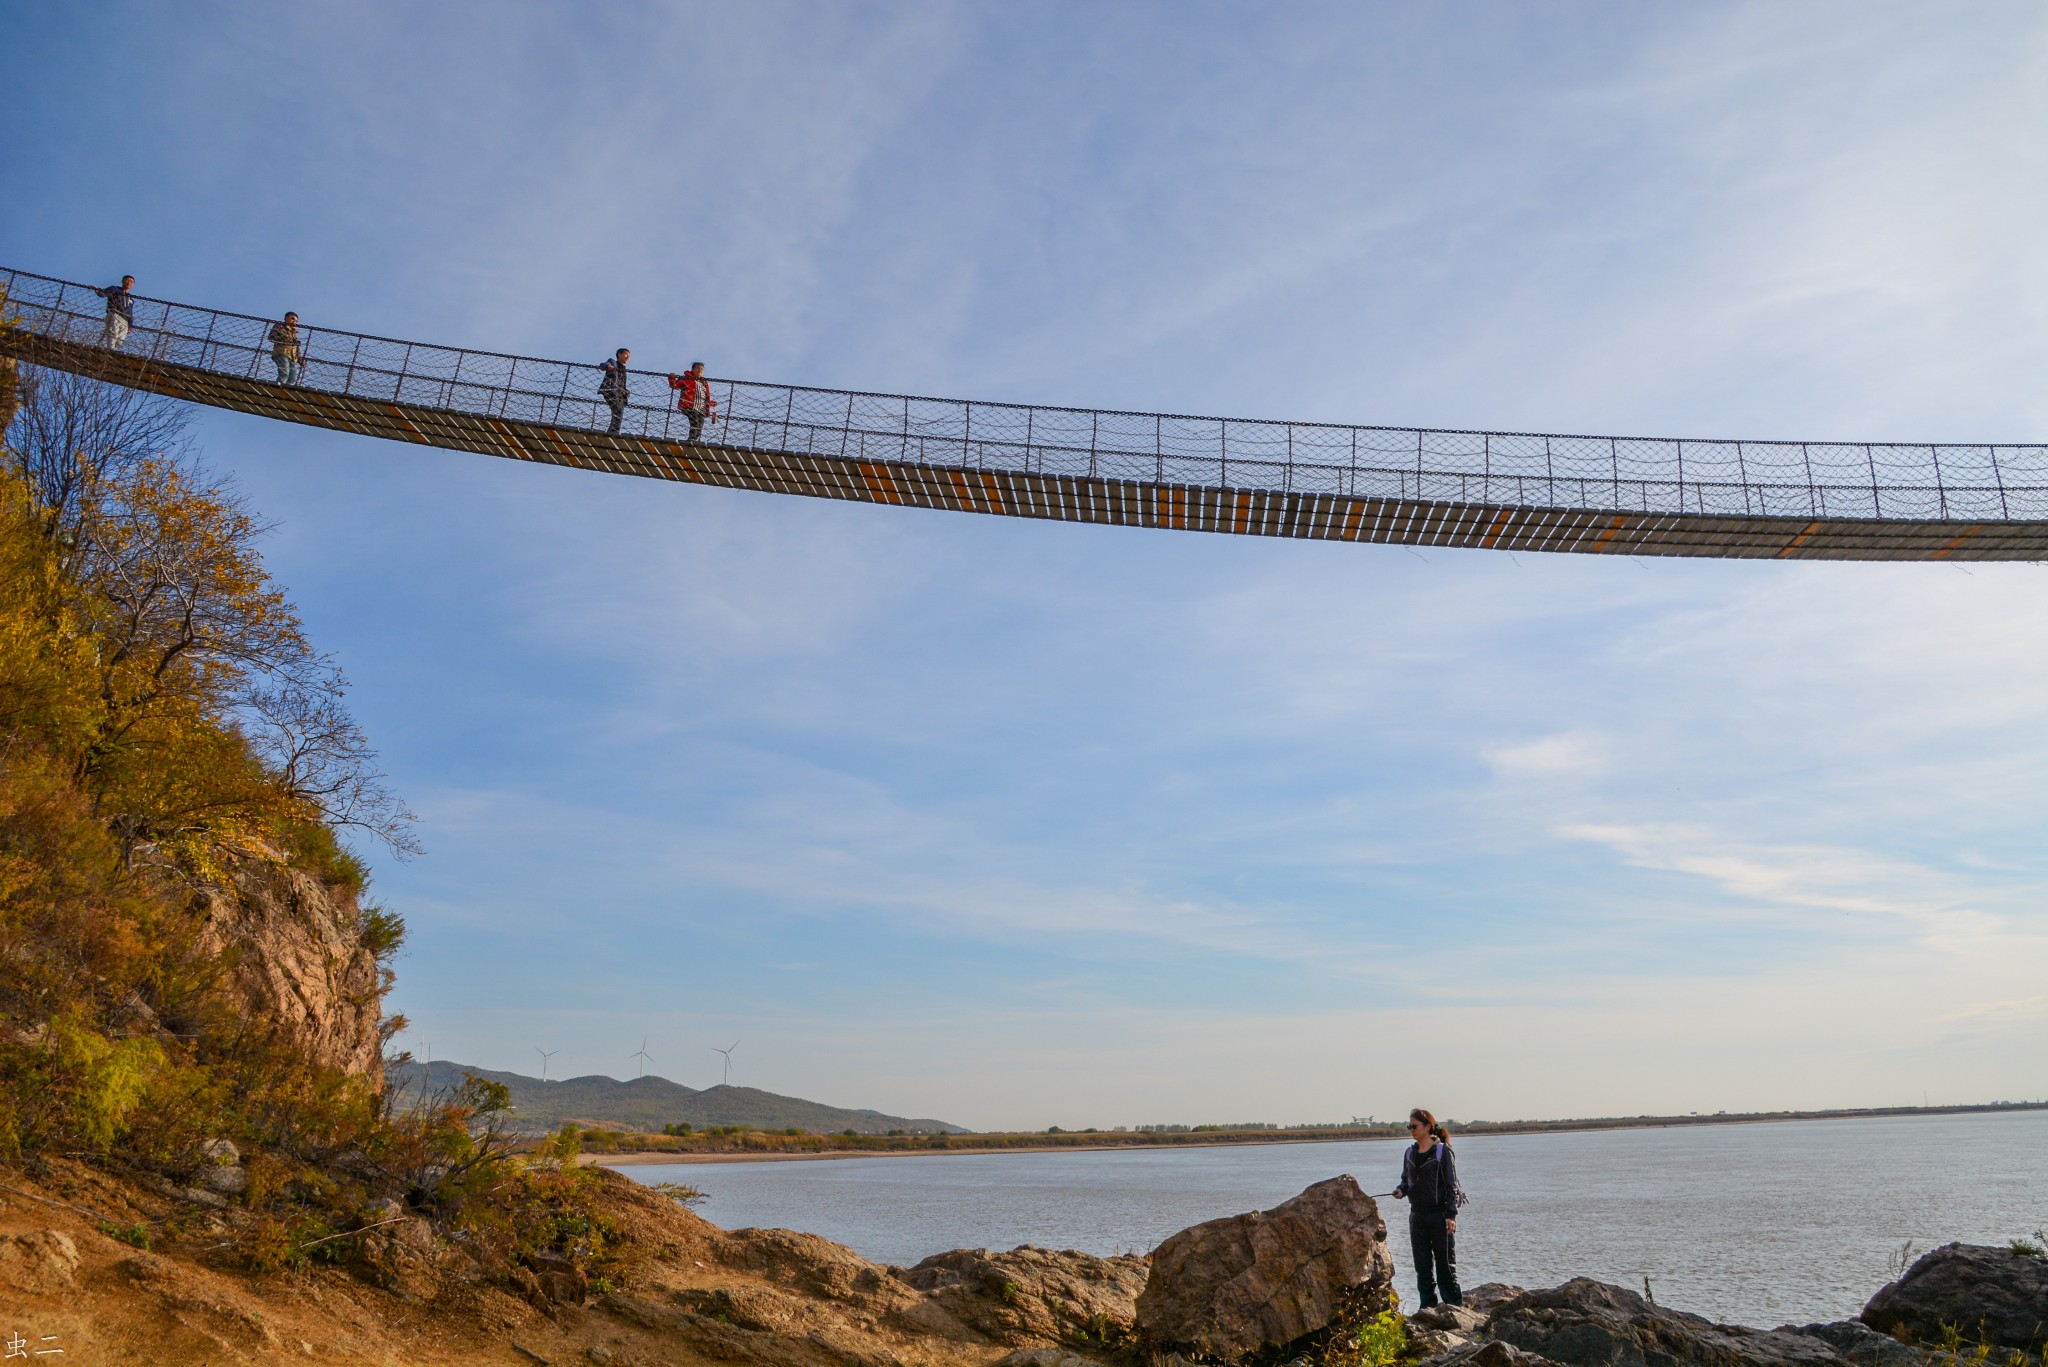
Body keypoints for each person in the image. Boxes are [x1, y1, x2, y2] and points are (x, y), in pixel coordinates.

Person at [1392, 1108, 1465, 1309]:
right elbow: (1406, 1180)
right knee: (1422, 1266)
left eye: (1414, 1126)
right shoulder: (1409, 1153)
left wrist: (1451, 1215)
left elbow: (1451, 1185)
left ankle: (1454, 1307)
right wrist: (1401, 1190)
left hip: (1439, 1216)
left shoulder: (1442, 1151)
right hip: (1417, 1216)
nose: (1411, 1130)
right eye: (1409, 1126)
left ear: (1427, 1126)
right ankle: (1427, 1308)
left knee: (1445, 1265)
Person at [667, 361, 717, 442]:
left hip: (701, 409)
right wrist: (672, 378)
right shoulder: (686, 378)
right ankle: (690, 440)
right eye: (697, 368)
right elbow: (674, 385)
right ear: (692, 369)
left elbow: (704, 397)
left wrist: (710, 403)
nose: (700, 370)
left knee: (699, 429)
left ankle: (693, 441)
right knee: (695, 423)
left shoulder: (704, 383)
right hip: (688, 405)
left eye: (701, 369)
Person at [95, 275, 136, 349]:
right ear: (122, 281)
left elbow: (130, 312)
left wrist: (130, 325)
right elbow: (103, 293)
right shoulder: (115, 289)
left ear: (133, 285)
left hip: (125, 321)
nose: (129, 283)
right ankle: (109, 352)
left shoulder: (131, 299)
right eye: (127, 280)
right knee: (112, 335)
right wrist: (97, 290)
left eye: (131, 282)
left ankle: (113, 352)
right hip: (115, 314)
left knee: (120, 341)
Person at [598, 347, 632, 434]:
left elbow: (622, 386)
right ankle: (613, 432)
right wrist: (607, 366)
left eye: (629, 356)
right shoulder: (613, 362)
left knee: (619, 412)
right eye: (626, 355)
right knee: (618, 410)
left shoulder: (623, 370)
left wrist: (626, 392)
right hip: (610, 389)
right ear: (619, 354)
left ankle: (613, 431)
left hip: (619, 395)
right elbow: (602, 365)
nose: (628, 357)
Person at [268, 312, 304, 385]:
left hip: (292, 358)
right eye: (292, 319)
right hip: (281, 353)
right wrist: (284, 340)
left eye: (296, 321)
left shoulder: (293, 334)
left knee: (292, 378)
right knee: (284, 373)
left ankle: (286, 391)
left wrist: (300, 360)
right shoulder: (279, 326)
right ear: (285, 318)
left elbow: (296, 349)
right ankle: (277, 389)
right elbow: (271, 336)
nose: (294, 321)